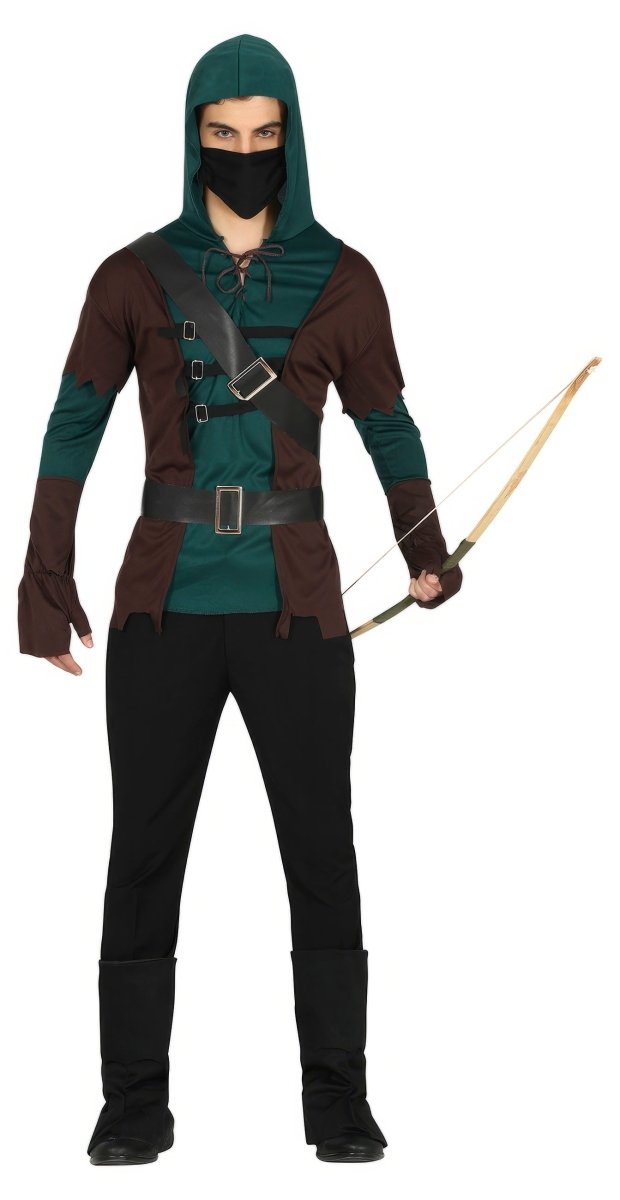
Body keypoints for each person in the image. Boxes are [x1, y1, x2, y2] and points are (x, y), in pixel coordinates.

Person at [17, 32, 463, 1166]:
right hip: (161, 608)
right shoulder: (131, 275)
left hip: (294, 609)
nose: (245, 153)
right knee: (142, 853)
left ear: (291, 139)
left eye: (264, 135)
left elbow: (387, 424)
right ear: (193, 139)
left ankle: (339, 1101)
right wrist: (43, 580)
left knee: (321, 849)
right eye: (224, 135)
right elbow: (73, 426)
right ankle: (132, 1106)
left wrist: (424, 547)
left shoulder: (345, 277)